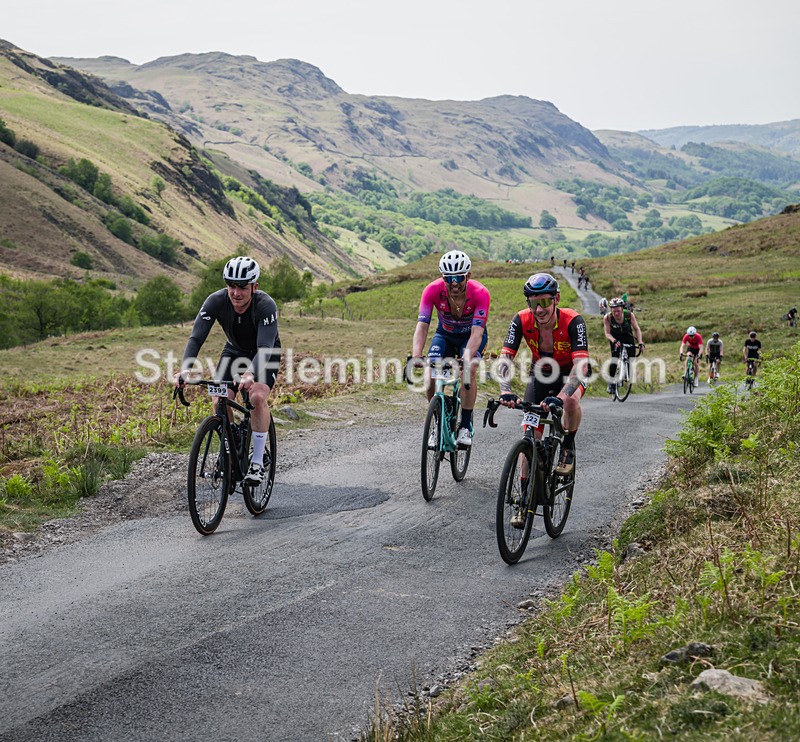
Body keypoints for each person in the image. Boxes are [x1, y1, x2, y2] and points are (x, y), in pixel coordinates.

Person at [174, 256, 280, 485]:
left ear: (254, 287)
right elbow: (196, 338)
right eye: (231, 286)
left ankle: (258, 463)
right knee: (218, 399)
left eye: (242, 287)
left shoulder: (265, 305)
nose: (236, 292)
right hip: (234, 351)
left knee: (257, 397)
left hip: (264, 352)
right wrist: (184, 371)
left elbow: (264, 348)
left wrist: (251, 374)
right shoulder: (215, 301)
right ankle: (233, 447)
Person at [497, 272, 589, 482]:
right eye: (533, 303)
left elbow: (580, 367)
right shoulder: (521, 319)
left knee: (571, 401)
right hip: (540, 373)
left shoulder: (574, 321)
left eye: (545, 302)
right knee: (530, 433)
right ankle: (523, 495)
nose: (539, 310)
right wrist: (505, 390)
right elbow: (505, 358)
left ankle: (567, 446)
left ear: (556, 299)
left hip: (571, 373)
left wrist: (561, 397)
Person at [411, 250, 491, 447]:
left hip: (470, 336)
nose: (454, 283)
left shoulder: (480, 293)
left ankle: (465, 425)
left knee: (468, 370)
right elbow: (422, 326)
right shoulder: (432, 290)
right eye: (449, 278)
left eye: (459, 277)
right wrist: (416, 355)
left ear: (468, 276)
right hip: (445, 335)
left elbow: (477, 333)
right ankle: (438, 422)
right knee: (430, 373)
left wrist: (466, 357)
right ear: (442, 277)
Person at [603, 297, 644, 394]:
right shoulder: (608, 318)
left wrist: (640, 342)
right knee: (614, 359)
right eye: (614, 311)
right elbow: (607, 333)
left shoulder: (629, 315)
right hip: (614, 338)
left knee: (632, 358)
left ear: (622, 309)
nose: (616, 314)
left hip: (627, 336)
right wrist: (613, 341)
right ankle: (611, 383)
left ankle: (627, 372)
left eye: (618, 311)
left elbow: (637, 329)